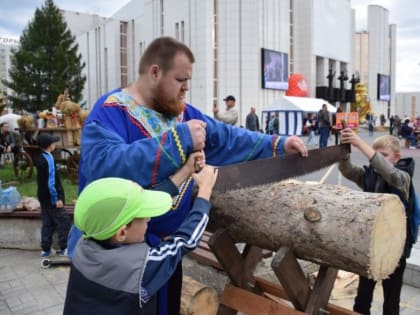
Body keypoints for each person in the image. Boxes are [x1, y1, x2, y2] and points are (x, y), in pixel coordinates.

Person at [67, 36, 308, 315]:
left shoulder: (179, 113)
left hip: (161, 258)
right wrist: (177, 141)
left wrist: (275, 144)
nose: (186, 88)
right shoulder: (110, 112)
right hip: (116, 263)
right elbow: (105, 167)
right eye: (180, 79)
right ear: (155, 72)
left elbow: (226, 137)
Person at [64, 155, 217, 314]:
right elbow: (185, 241)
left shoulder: (83, 243)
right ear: (122, 233)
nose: (149, 218)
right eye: (144, 216)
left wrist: (186, 171)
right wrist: (205, 190)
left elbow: (130, 205)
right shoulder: (141, 266)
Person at [338, 129, 415, 315]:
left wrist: (361, 144)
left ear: (397, 157)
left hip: (396, 250)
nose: (377, 160)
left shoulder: (403, 178)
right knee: (362, 298)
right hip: (372, 246)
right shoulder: (369, 176)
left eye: (384, 155)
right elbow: (347, 170)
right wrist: (344, 150)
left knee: (391, 300)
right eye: (376, 155)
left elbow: (390, 173)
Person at [35, 133, 70, 257]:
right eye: (54, 142)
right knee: (64, 221)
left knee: (47, 224)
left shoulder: (40, 158)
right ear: (50, 146)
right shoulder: (49, 159)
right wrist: (57, 199)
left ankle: (45, 250)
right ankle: (64, 248)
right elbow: (51, 182)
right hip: (52, 199)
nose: (55, 144)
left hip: (43, 198)